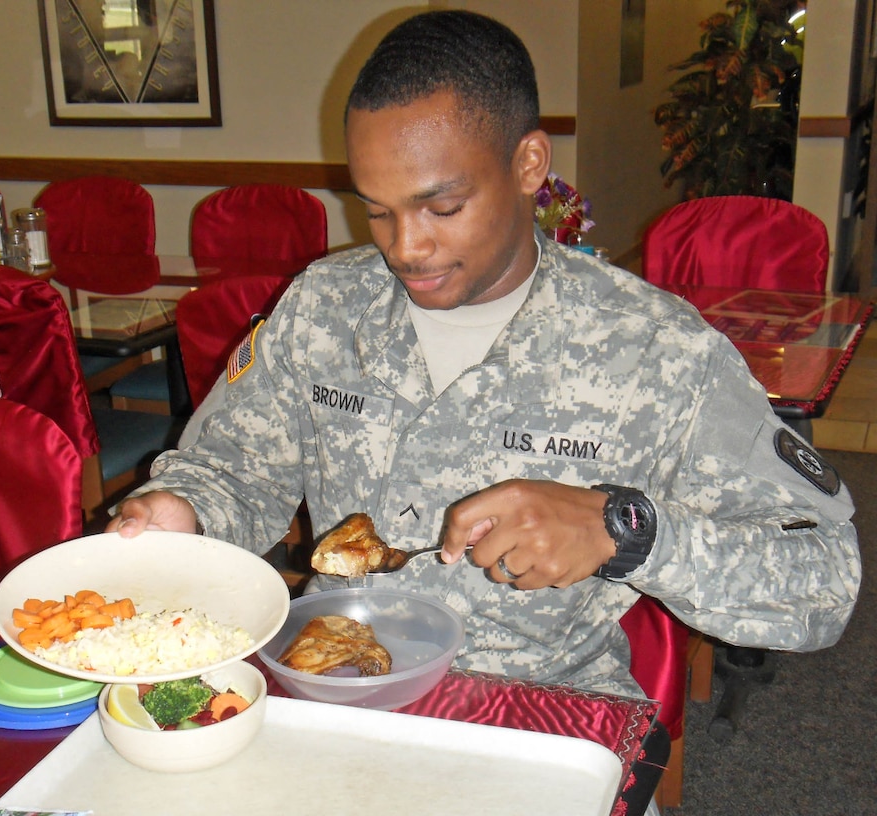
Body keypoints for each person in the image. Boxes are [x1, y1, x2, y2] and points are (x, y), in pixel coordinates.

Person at [110, 9, 858, 702]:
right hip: (334, 685)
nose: (405, 247)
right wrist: (186, 511)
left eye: (442, 207)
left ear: (530, 164)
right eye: (375, 208)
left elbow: (824, 579)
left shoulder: (657, 349)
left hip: (538, 709)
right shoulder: (324, 307)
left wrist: (626, 530)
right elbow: (234, 471)